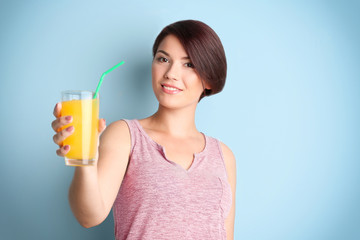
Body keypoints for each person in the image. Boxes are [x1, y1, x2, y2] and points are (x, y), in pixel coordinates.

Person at [52, 20, 236, 240]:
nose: (170, 73)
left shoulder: (223, 156)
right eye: (163, 59)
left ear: (209, 80)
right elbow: (88, 216)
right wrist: (85, 158)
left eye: (188, 64)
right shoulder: (125, 136)